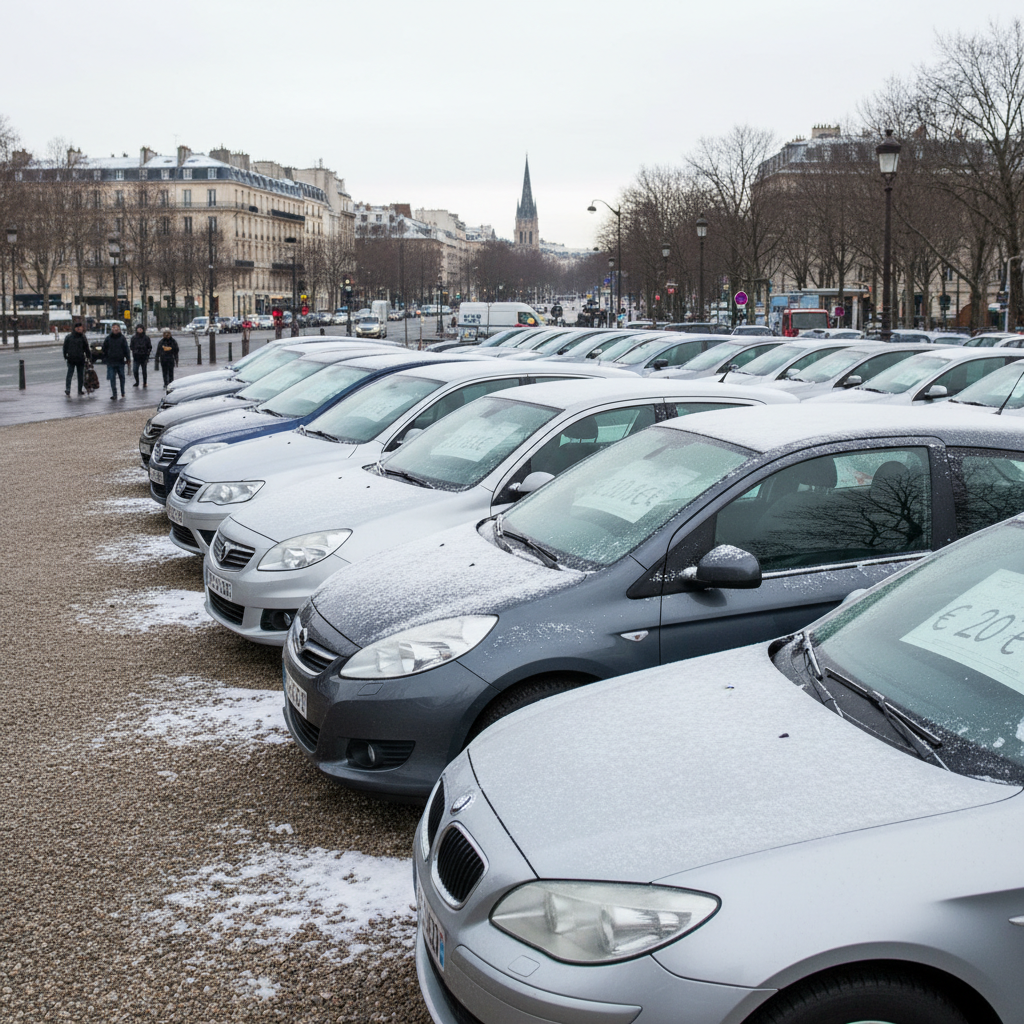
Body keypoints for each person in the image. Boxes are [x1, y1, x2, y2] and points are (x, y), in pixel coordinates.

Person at [101, 322, 131, 399]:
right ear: (111, 329)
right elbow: (104, 349)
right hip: (111, 362)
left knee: (122, 377)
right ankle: (114, 394)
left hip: (120, 361)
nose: (115, 329)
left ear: (119, 329)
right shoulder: (108, 338)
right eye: (114, 327)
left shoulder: (122, 338)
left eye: (117, 327)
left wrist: (128, 358)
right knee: (112, 378)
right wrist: (104, 358)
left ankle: (123, 391)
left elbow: (126, 349)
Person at [62, 322, 92, 396]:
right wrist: (65, 356)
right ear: (75, 328)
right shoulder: (69, 337)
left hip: (80, 359)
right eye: (77, 328)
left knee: (80, 375)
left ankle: (80, 389)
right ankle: (68, 389)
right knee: (70, 374)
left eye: (80, 327)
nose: (79, 329)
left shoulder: (83, 337)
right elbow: (65, 347)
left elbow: (86, 348)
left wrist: (89, 357)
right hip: (71, 359)